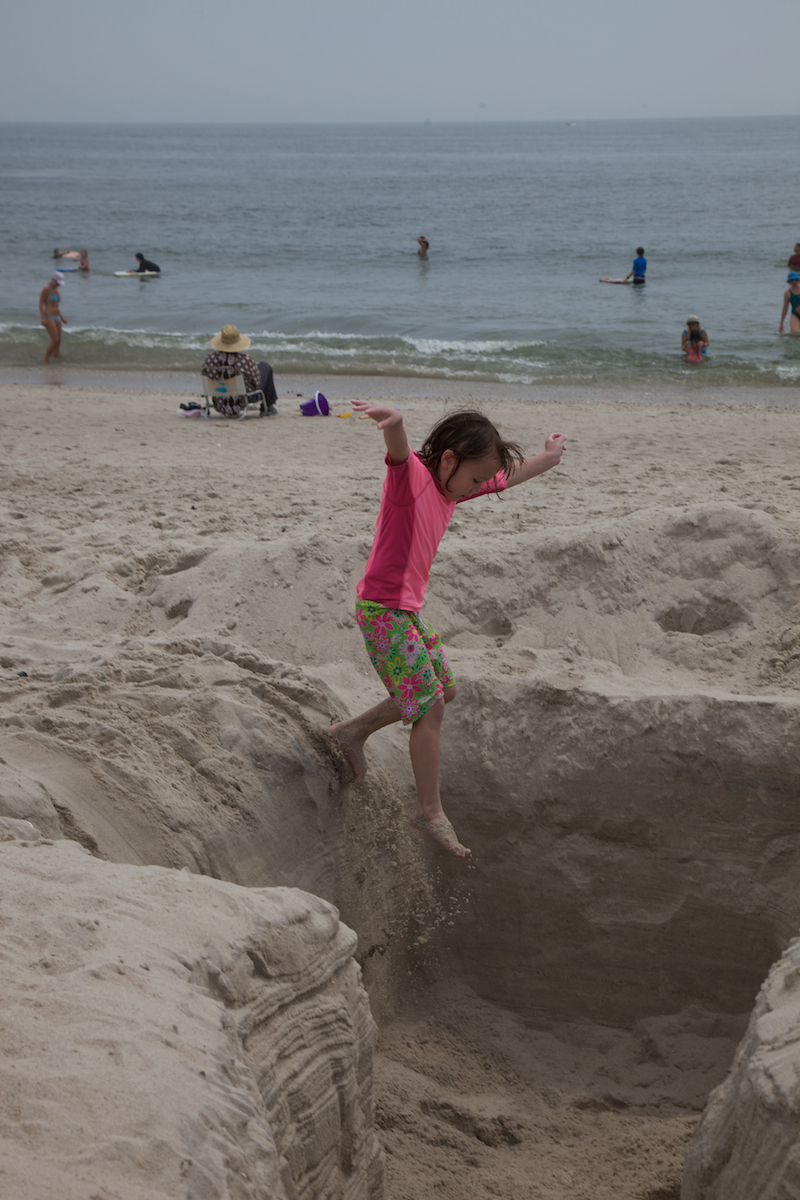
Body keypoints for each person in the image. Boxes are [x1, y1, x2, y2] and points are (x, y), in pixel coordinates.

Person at [330, 404, 567, 857]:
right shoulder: (411, 481)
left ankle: (352, 732)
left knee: (444, 690)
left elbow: (505, 477)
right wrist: (395, 423)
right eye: (475, 479)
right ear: (448, 460)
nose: (478, 488)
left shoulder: (451, 489)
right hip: (382, 610)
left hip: (405, 612)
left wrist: (550, 458)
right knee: (430, 706)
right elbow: (399, 453)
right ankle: (428, 809)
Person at [201, 324, 278, 415]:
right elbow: (256, 382)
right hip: (243, 400)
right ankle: (267, 407)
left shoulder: (210, 359)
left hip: (220, 402)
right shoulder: (245, 360)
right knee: (264, 366)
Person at [39, 272, 67, 363]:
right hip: (49, 316)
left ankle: (55, 359)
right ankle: (45, 360)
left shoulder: (56, 289)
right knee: (54, 340)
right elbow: (41, 304)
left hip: (57, 317)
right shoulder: (47, 289)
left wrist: (62, 318)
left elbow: (56, 306)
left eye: (60, 283)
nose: (59, 285)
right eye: (57, 283)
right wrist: (43, 318)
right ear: (53, 280)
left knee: (59, 341)